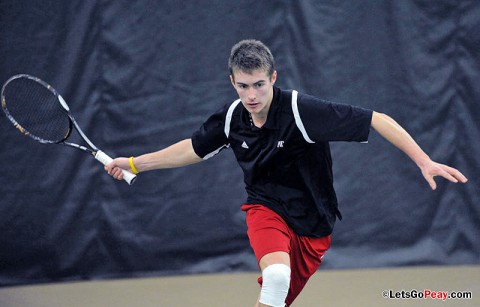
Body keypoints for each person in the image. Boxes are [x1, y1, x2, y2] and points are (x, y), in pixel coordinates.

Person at [104, 39, 468, 307]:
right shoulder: (232, 117)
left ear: (272, 78)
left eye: (259, 84)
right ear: (232, 81)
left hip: (313, 225)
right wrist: (134, 163)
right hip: (266, 210)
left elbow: (378, 120)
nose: (252, 94)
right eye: (243, 85)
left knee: (275, 299)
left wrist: (424, 160)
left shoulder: (300, 111)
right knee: (276, 277)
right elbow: (190, 149)